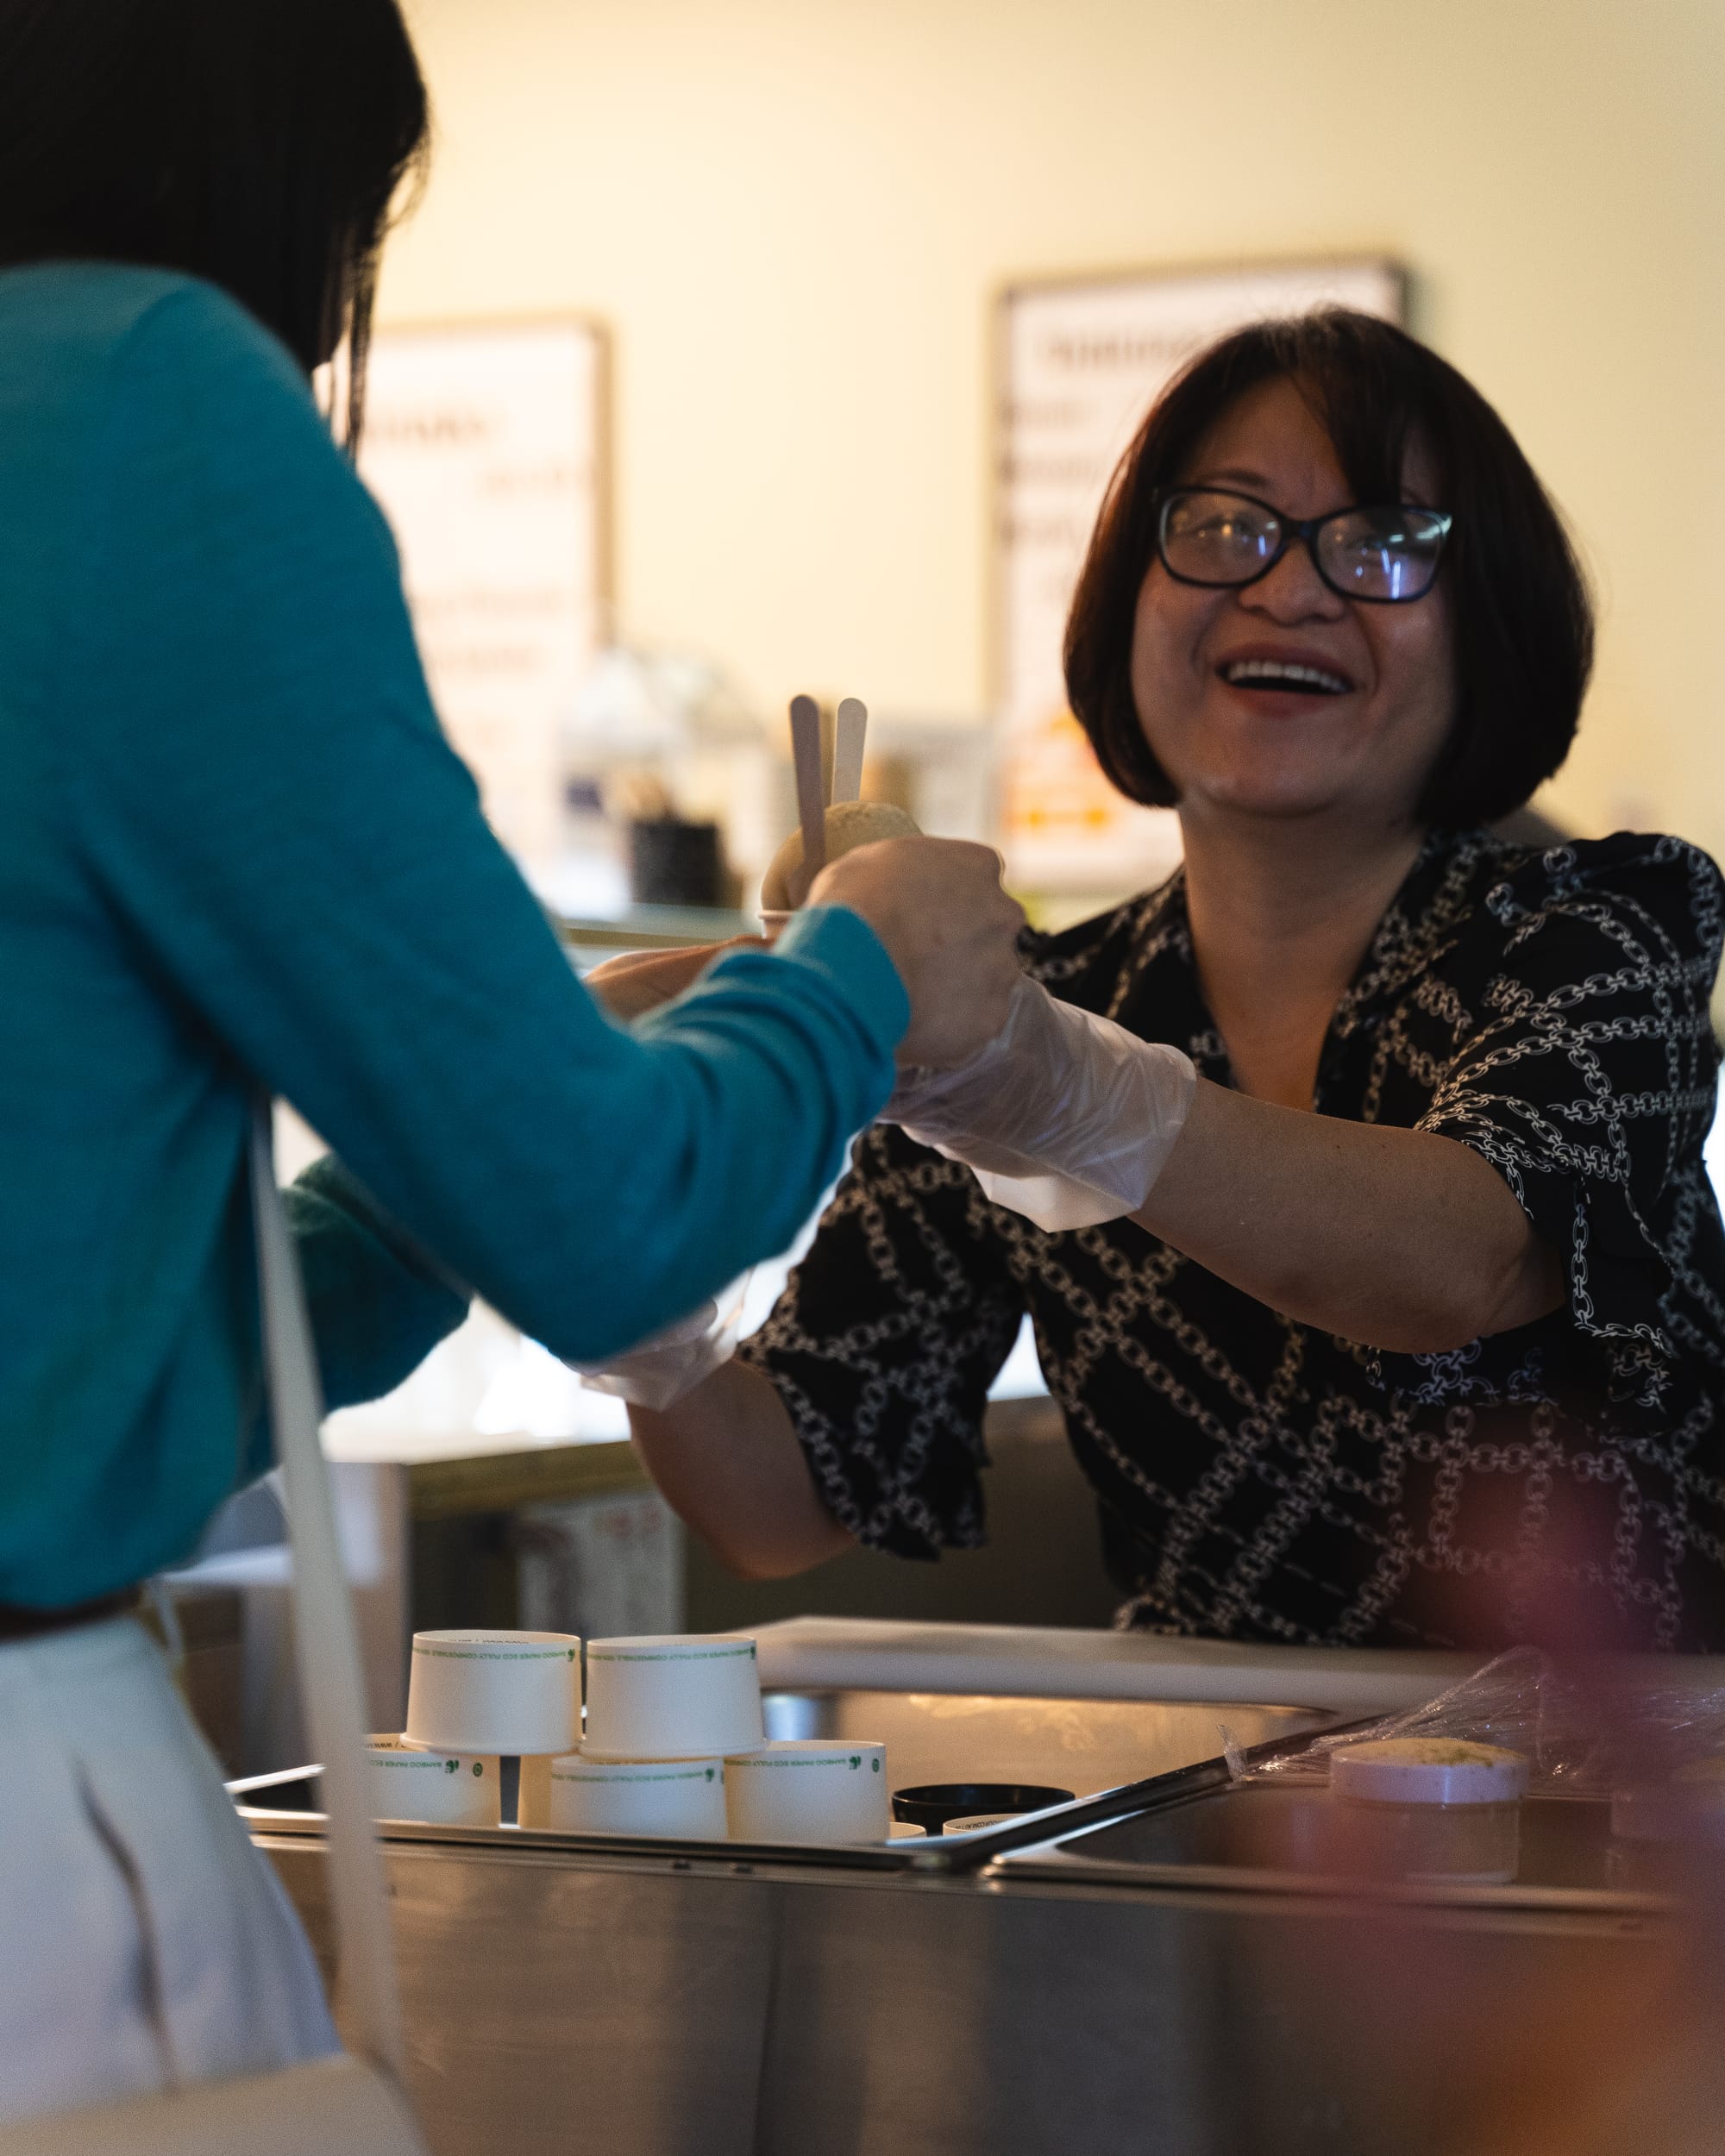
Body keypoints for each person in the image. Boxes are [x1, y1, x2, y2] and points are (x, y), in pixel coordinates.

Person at [0, 0, 1024, 2125]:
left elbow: (84, 1364)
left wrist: (438, 1166)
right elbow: (609, 1213)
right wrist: (857, 972)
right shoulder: (134, 405)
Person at [630, 309, 1725, 1656]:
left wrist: (1056, 1086)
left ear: (1487, 625)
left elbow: (1465, 1257)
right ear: (1126, 597)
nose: (1288, 589)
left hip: (1623, 1809)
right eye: (1223, 526)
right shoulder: (1041, 1002)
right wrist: (641, 1273)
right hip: (1233, 1812)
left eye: (1383, 541)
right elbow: (782, 1497)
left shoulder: (1602, 927)